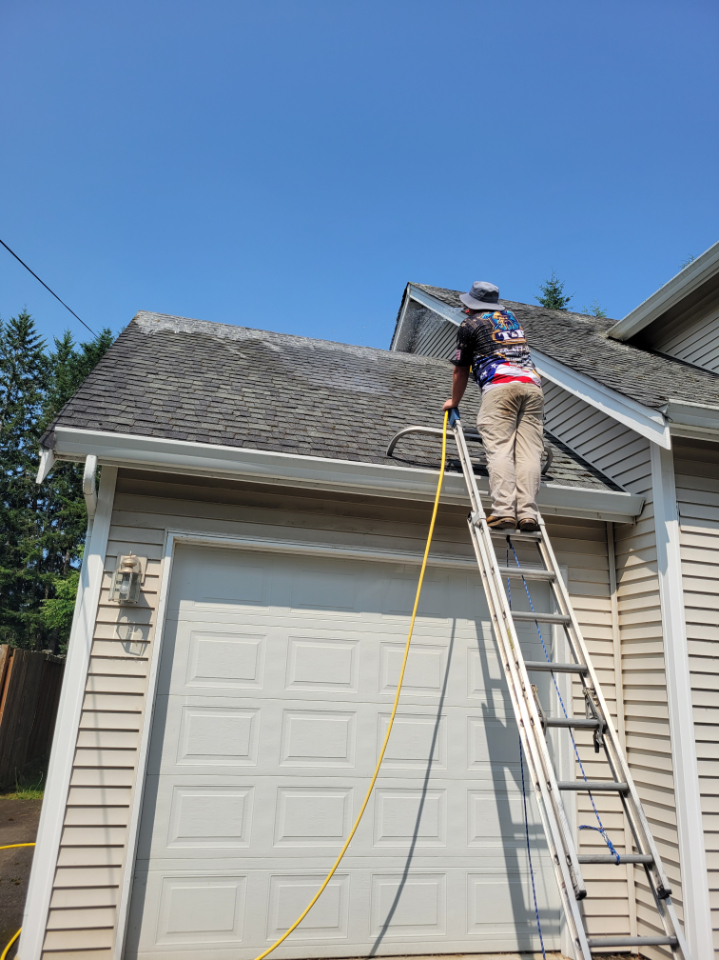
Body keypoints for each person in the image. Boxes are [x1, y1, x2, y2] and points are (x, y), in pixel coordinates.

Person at [443, 281, 544, 532]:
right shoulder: (510, 317)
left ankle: (503, 512)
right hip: (532, 387)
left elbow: (460, 369)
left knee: (500, 449)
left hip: (501, 387)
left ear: (470, 305)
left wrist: (454, 402)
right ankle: (528, 514)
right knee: (529, 453)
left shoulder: (470, 324)